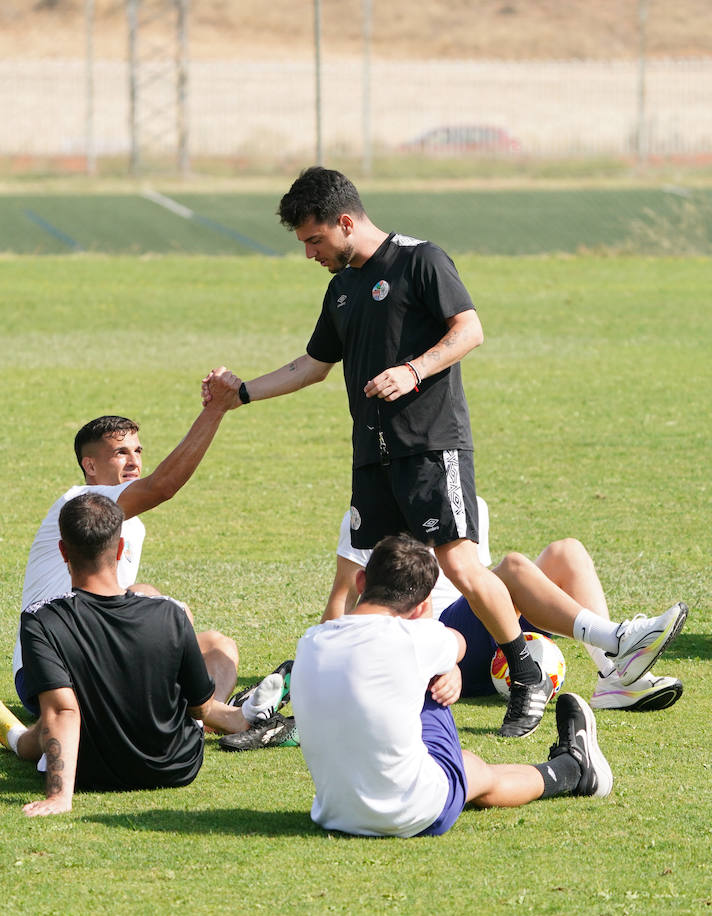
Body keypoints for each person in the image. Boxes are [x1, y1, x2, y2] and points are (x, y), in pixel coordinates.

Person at [217, 165, 602, 738]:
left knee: (459, 565)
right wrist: (242, 393)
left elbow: (469, 329)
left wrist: (413, 371)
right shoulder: (341, 290)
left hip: (430, 445)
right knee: (379, 581)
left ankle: (525, 673)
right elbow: (313, 366)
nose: (309, 254)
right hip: (372, 455)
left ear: (345, 221)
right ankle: (380, 687)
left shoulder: (421, 260)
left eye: (314, 240)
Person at [0, 494, 283, 816]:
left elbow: (62, 712)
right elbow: (198, 706)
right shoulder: (171, 614)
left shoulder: (41, 619)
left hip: (89, 773)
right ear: (119, 549)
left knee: (52, 717)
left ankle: (18, 740)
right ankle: (242, 717)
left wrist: (60, 796)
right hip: (175, 768)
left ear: (63, 551)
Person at [291, 534, 611, 838]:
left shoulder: (309, 641)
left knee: (466, 765)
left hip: (334, 815)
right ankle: (573, 770)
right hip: (416, 812)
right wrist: (444, 662)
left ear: (361, 582)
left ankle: (574, 768)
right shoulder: (414, 640)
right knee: (474, 770)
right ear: (420, 608)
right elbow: (456, 643)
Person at [11, 379, 249, 717]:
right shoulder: (79, 503)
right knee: (152, 598)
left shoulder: (132, 524)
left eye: (137, 451)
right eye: (120, 453)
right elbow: (162, 486)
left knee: (219, 646)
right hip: (46, 672)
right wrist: (216, 409)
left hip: (99, 657)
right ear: (90, 465)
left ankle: (203, 719)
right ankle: (211, 716)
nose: (133, 461)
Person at [325, 501, 686, 711]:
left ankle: (613, 676)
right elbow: (343, 597)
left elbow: (475, 581)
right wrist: (323, 666)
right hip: (435, 646)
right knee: (512, 567)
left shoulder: (466, 496)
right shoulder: (367, 507)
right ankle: (618, 640)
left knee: (567, 552)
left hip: (478, 635)